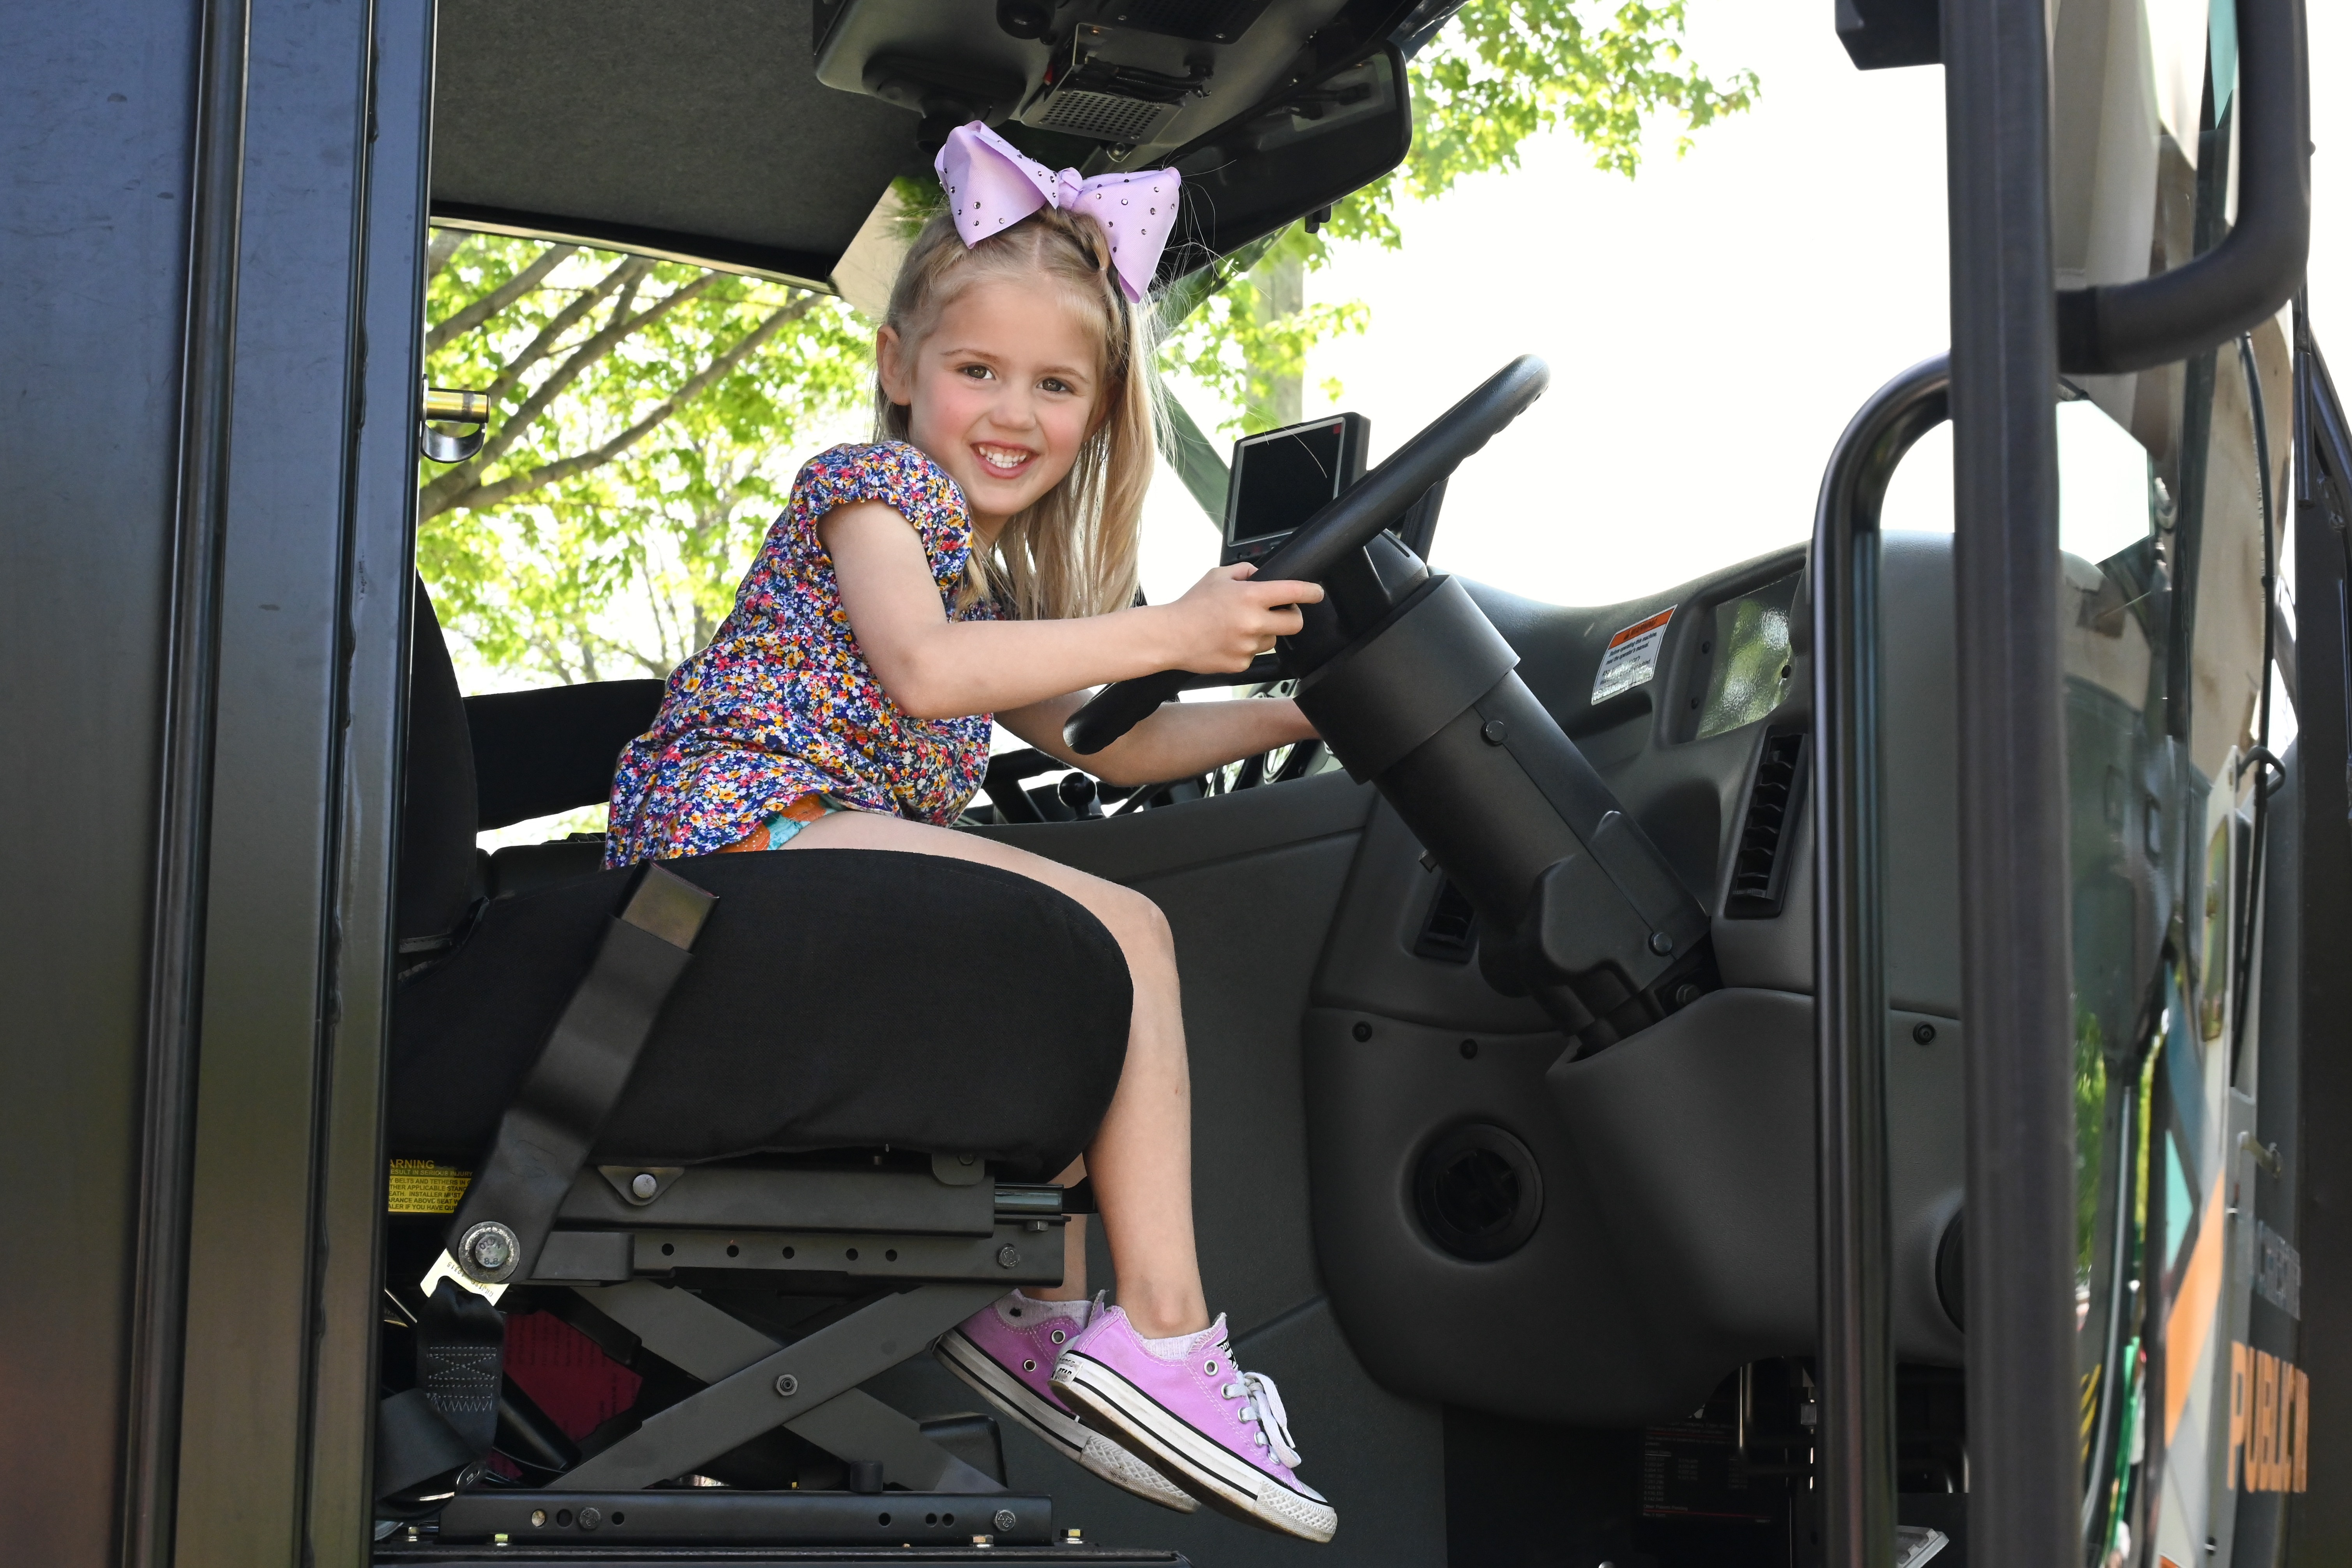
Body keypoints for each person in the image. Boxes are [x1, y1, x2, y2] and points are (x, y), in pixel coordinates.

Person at [603, 122, 1336, 1544]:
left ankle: (1029, 1313)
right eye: (976, 370)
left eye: (1054, 383)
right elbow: (928, 674)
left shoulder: (985, 584)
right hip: (727, 841)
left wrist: (1308, 719)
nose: (1012, 411)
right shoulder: (871, 494)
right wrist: (1181, 625)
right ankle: (1168, 1343)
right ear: (899, 369)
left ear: (1100, 406)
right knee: (1118, 934)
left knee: (1050, 984)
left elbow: (1110, 737)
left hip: (785, 862)